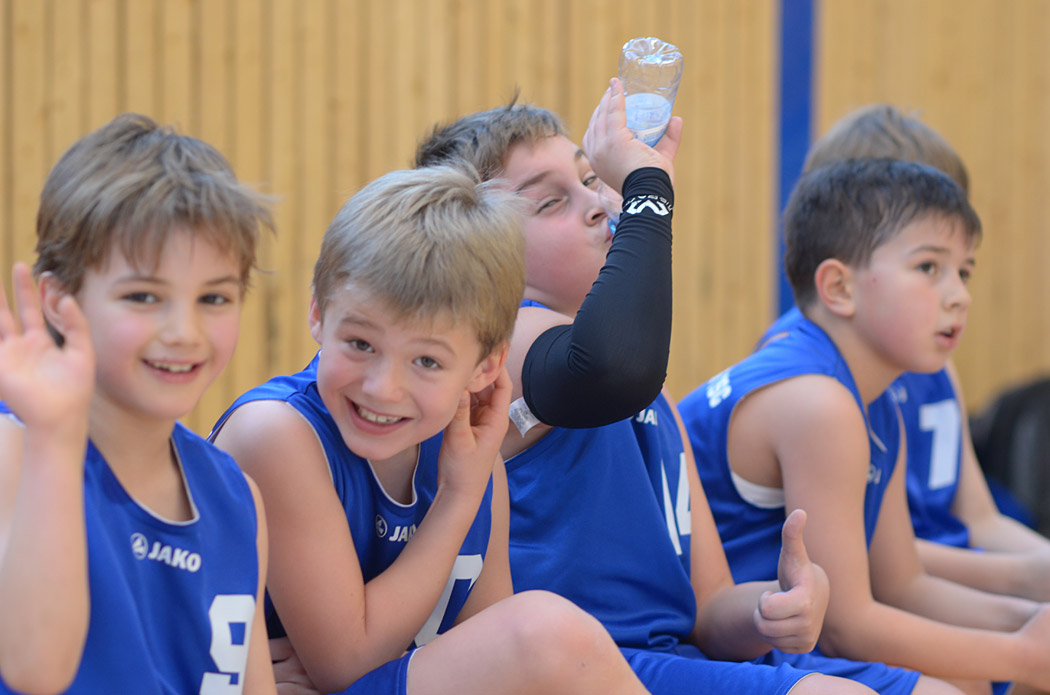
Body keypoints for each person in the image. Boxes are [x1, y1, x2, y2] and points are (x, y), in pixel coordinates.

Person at [414, 80, 958, 695]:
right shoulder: (503, 350)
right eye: (550, 203)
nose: (597, 204)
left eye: (591, 180)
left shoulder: (652, 394)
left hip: (675, 660)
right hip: (592, 667)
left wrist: (773, 609)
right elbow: (610, 364)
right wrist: (648, 191)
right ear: (479, 255)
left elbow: (710, 607)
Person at [210, 163, 654, 695]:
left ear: (486, 367)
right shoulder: (276, 433)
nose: (383, 388)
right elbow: (346, 664)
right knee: (547, 635)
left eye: (426, 361)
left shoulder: (470, 454)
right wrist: (458, 497)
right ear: (318, 315)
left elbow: (490, 659)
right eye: (361, 344)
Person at [679, 157, 1050, 692]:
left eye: (964, 272)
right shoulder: (818, 402)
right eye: (929, 267)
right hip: (712, 641)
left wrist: (1028, 625)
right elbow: (844, 628)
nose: (960, 295)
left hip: (767, 636)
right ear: (839, 287)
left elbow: (903, 586)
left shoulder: (874, 401)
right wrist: (1020, 655)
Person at [0, 114, 277, 694]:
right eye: (144, 296)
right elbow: (33, 670)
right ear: (57, 300)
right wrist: (55, 434)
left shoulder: (237, 498)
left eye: (214, 298)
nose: (184, 332)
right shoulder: (17, 453)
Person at [791, 104, 1050, 603]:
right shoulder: (816, 378)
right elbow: (874, 566)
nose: (958, 293)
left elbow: (979, 519)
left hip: (937, 581)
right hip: (895, 594)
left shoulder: (933, 360)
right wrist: (1023, 583)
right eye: (929, 262)